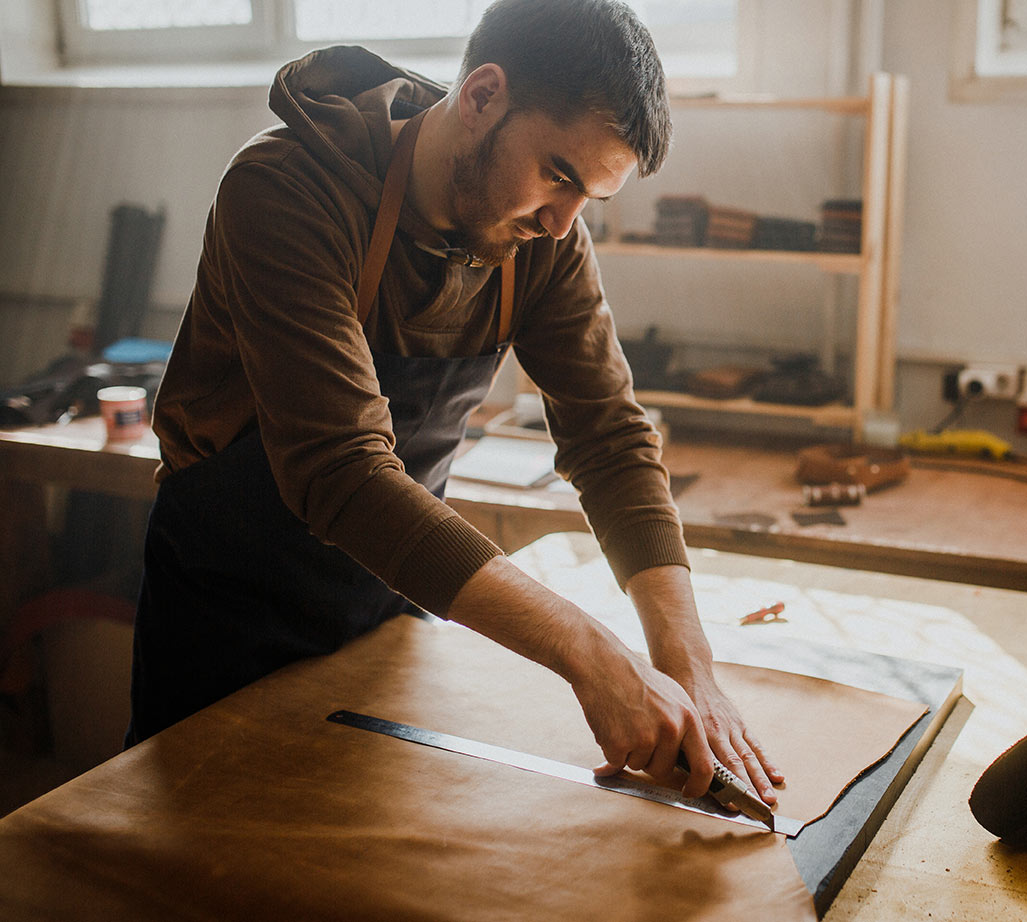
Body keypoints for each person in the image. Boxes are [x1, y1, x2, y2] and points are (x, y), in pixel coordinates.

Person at [127, 0, 783, 807]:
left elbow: (610, 439)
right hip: (226, 617)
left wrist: (687, 664)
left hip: (389, 613)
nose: (561, 222)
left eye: (588, 201)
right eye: (559, 175)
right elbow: (344, 473)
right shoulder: (285, 190)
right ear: (480, 97)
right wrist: (593, 654)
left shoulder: (544, 240)